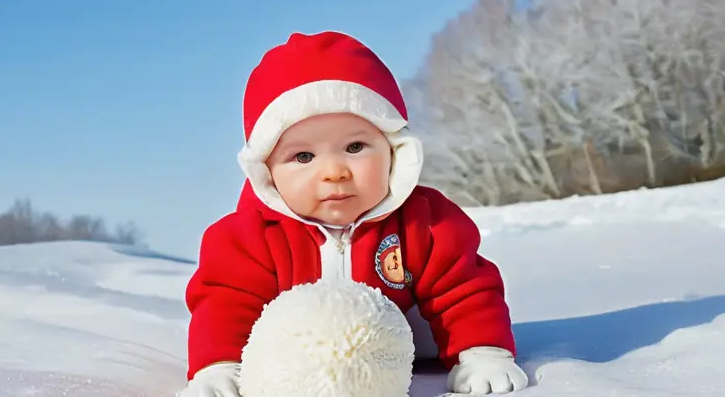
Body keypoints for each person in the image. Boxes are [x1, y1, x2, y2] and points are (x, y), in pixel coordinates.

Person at [180, 31, 528, 396]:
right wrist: (219, 367)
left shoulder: (425, 223)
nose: (334, 171)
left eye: (355, 146)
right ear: (265, 169)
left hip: (404, 357)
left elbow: (464, 290)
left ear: (394, 149)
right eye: (303, 157)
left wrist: (481, 353)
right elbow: (225, 305)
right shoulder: (247, 238)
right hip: (300, 369)